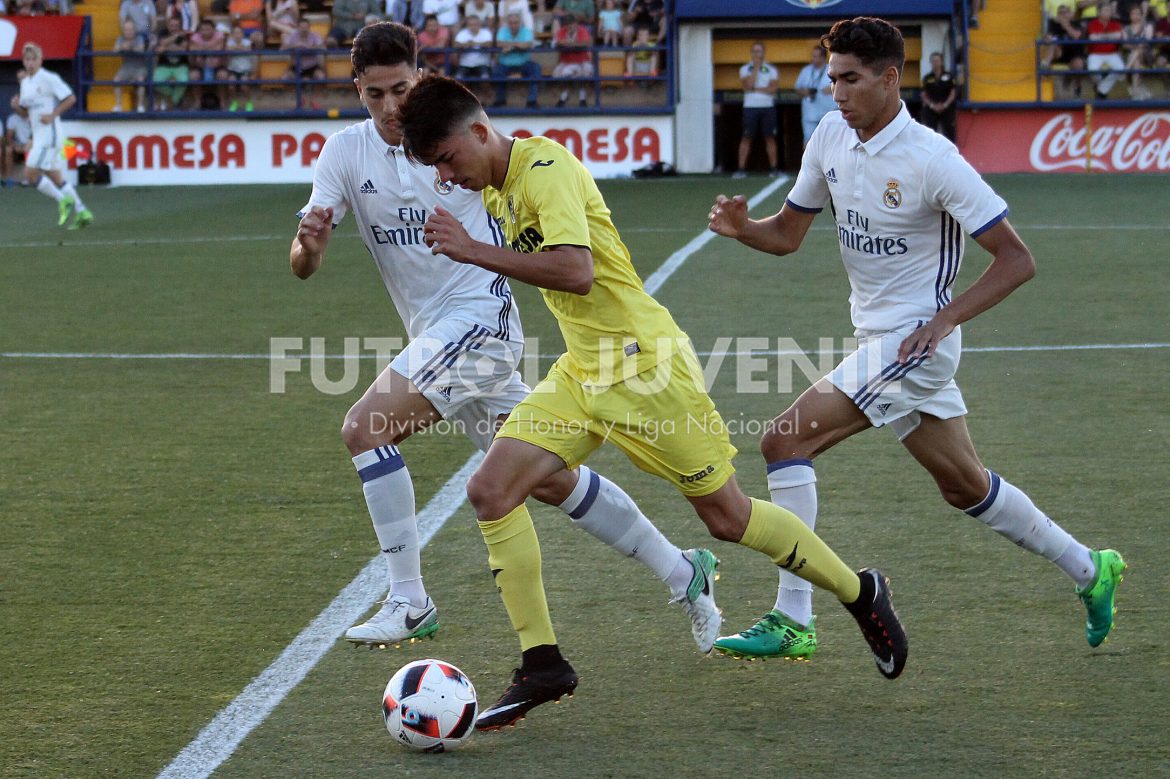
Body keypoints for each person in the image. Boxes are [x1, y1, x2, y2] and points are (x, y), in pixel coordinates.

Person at [398, 73, 910, 730]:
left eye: (446, 159)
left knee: (727, 517)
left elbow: (576, 270)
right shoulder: (497, 187)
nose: (446, 177)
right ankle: (543, 662)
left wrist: (474, 251)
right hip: (583, 370)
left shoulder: (545, 169)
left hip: (646, 368)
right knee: (490, 490)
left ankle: (860, 592)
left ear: (477, 130)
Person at [292, 21, 719, 684]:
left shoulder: (452, 141)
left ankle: (409, 600)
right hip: (434, 335)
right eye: (375, 94)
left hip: (480, 321)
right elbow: (302, 264)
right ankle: (681, 569)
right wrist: (310, 242)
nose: (390, 106)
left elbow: (521, 194)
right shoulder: (344, 153)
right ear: (357, 90)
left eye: (400, 89)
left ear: (420, 77)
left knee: (366, 427)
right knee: (546, 479)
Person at [707, 16, 1124, 663]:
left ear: (890, 79)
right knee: (965, 486)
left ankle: (794, 617)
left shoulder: (933, 159)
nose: (837, 93)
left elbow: (1016, 259)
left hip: (913, 345)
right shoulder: (829, 135)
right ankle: (1091, 568)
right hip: (879, 340)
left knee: (784, 440)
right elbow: (787, 234)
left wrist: (944, 319)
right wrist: (744, 230)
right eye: (832, 79)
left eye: (850, 79)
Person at [14, 43, 94, 229]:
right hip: (39, 136)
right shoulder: (25, 83)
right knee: (56, 177)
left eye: (34, 59)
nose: (30, 63)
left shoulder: (48, 78)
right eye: (27, 59)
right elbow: (26, 113)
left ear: (40, 60)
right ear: (23, 61)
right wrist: (16, 106)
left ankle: (62, 200)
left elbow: (70, 98)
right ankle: (83, 212)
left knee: (30, 174)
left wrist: (52, 115)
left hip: (50, 135)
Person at [734, 40, 780, 179]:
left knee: (770, 137)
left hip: (767, 106)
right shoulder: (745, 69)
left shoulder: (771, 69)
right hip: (750, 107)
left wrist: (755, 89)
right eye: (754, 51)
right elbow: (748, 86)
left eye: (759, 51)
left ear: (763, 52)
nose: (756, 54)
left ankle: (774, 168)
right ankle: (741, 169)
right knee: (747, 137)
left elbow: (773, 89)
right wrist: (756, 68)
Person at [491, 10, 541, 107]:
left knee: (536, 68)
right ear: (508, 24)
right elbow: (500, 43)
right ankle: (500, 100)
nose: (513, 25)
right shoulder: (503, 31)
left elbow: (527, 44)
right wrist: (518, 45)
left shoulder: (526, 31)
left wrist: (510, 46)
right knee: (497, 71)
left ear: (520, 23)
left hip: (524, 63)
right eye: (511, 23)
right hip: (505, 64)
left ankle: (532, 100)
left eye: (516, 23)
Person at [1042, 3, 1087, 99]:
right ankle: (1045, 65)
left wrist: (1066, 25)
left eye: (1065, 12)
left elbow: (1076, 36)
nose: (1063, 15)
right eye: (1060, 13)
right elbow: (1049, 36)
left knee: (1079, 65)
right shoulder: (1053, 24)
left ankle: (1077, 88)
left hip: (1074, 53)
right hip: (1060, 53)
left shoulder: (1077, 23)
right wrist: (1047, 38)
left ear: (1070, 14)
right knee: (1052, 43)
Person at [794, 44, 834, 145]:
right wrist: (806, 92)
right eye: (813, 56)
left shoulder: (832, 69)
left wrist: (832, 88)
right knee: (808, 142)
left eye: (816, 56)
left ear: (823, 57)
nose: (813, 59)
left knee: (829, 142)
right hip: (810, 114)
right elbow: (797, 89)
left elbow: (843, 85)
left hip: (828, 114)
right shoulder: (806, 70)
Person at [283, 18, 327, 108]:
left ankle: (313, 100)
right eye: (302, 27)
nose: (304, 29)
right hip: (296, 67)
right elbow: (283, 48)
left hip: (312, 66)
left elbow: (323, 47)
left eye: (306, 27)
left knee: (321, 77)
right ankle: (299, 99)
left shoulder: (314, 36)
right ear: (298, 28)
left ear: (309, 27)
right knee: (285, 78)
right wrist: (296, 46)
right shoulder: (293, 36)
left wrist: (310, 48)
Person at [551, 12, 592, 107]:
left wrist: (568, 43)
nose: (570, 26)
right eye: (567, 24)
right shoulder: (562, 31)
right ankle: (564, 95)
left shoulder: (582, 30)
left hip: (582, 60)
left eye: (572, 23)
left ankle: (582, 97)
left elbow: (585, 43)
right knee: (557, 74)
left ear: (576, 23)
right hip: (566, 61)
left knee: (587, 70)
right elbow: (556, 43)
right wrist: (571, 43)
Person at [1085, 2, 1125, 98]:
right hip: (1095, 53)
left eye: (1110, 10)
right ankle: (1102, 88)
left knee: (1120, 69)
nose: (1109, 12)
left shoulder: (1115, 24)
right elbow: (1092, 38)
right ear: (1099, 12)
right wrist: (1110, 36)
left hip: (1112, 53)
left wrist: (1101, 36)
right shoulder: (1092, 24)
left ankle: (1101, 90)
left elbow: (1118, 36)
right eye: (1106, 10)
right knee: (1092, 70)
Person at [188, 18, 228, 110]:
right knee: (193, 76)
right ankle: (197, 102)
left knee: (223, 75)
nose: (205, 32)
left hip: (217, 65)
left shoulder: (219, 35)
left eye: (208, 29)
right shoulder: (194, 37)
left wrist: (201, 48)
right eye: (202, 29)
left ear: (213, 30)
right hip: (200, 65)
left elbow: (219, 48)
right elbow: (192, 48)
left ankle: (222, 102)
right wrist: (211, 47)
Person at [112, 18, 151, 112]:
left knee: (140, 80)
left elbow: (141, 49)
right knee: (116, 80)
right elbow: (114, 50)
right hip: (126, 67)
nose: (129, 32)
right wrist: (122, 47)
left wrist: (131, 47)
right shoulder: (120, 38)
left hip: (140, 67)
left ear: (134, 30)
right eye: (126, 30)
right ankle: (118, 105)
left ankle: (140, 106)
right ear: (123, 30)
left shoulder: (139, 38)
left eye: (131, 29)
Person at [154, 15, 191, 110]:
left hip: (180, 66)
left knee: (183, 81)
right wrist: (176, 37)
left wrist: (166, 48)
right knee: (155, 81)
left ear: (180, 27)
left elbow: (184, 48)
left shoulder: (184, 36)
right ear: (168, 26)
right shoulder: (163, 33)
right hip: (164, 65)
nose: (174, 28)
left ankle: (172, 101)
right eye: (172, 25)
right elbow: (161, 44)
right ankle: (173, 98)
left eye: (176, 26)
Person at [918, 51, 956, 140]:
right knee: (929, 134)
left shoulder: (949, 76)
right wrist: (932, 106)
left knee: (950, 133)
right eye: (933, 61)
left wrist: (945, 105)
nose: (935, 63)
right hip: (931, 109)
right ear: (931, 63)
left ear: (941, 62)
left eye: (937, 61)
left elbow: (953, 93)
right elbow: (923, 94)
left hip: (947, 109)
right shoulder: (927, 78)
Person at [453, 11, 494, 89]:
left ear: (479, 24)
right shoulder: (463, 33)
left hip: (482, 64)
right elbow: (456, 44)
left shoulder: (486, 32)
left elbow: (489, 43)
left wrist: (474, 43)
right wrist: (466, 45)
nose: (473, 27)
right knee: (458, 80)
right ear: (467, 25)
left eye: (475, 24)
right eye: (471, 25)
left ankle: (485, 96)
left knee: (485, 79)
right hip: (465, 64)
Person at [3, 86, 34, 187]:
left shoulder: (33, 116)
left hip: (33, 146)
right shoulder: (12, 118)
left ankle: (29, 178)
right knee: (8, 150)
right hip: (19, 146)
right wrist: (15, 146)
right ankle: (8, 179)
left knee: (29, 149)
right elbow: (8, 138)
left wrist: (26, 146)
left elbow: (37, 136)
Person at [224, 24, 257, 111]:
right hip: (233, 69)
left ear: (242, 34)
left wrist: (235, 49)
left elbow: (247, 50)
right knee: (231, 86)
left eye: (239, 33)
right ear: (232, 34)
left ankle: (249, 102)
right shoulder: (229, 42)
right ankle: (234, 102)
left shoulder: (247, 42)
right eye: (235, 33)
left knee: (244, 86)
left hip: (245, 69)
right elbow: (228, 50)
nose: (237, 35)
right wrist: (239, 48)